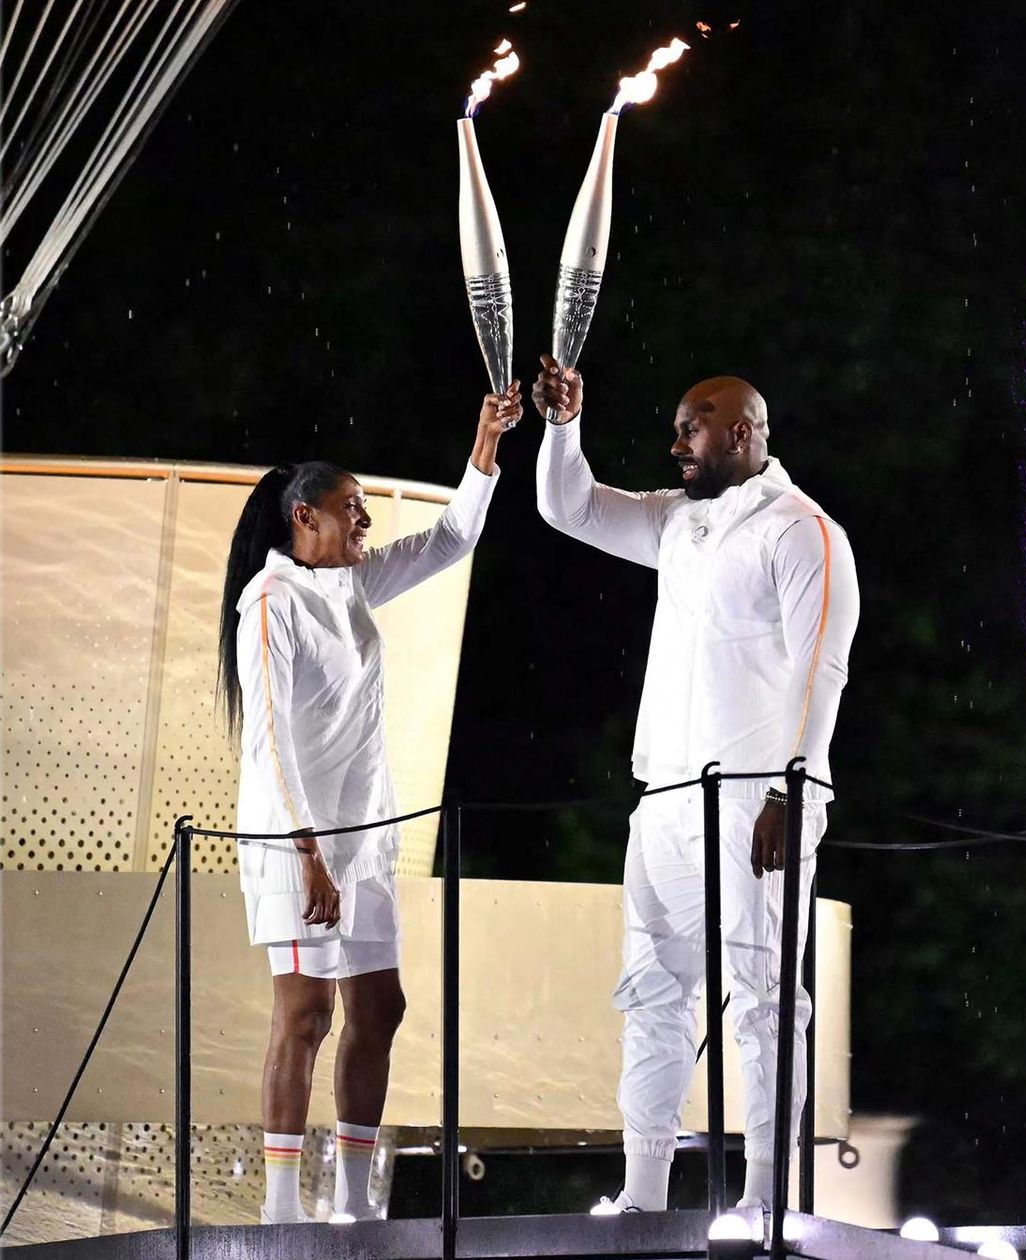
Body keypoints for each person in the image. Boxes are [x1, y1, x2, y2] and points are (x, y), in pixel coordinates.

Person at [532, 356, 859, 1221]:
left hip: (760, 802)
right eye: (677, 427)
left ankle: (764, 1200)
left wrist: (795, 791)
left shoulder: (803, 531)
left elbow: (822, 668)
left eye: (691, 427)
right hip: (666, 799)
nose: (674, 442)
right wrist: (563, 426)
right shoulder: (679, 523)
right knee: (652, 993)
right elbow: (566, 506)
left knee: (763, 999)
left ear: (743, 433)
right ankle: (642, 1194)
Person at [220, 385, 517, 1223]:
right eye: (350, 509)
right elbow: (269, 742)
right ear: (301, 519)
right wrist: (308, 850)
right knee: (308, 1012)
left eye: (363, 511)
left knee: (379, 1005)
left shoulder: (350, 584)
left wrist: (484, 439)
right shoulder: (269, 605)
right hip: (295, 840)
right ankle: (282, 1207)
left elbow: (454, 537)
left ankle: (352, 1200)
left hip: (364, 837)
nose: (365, 523)